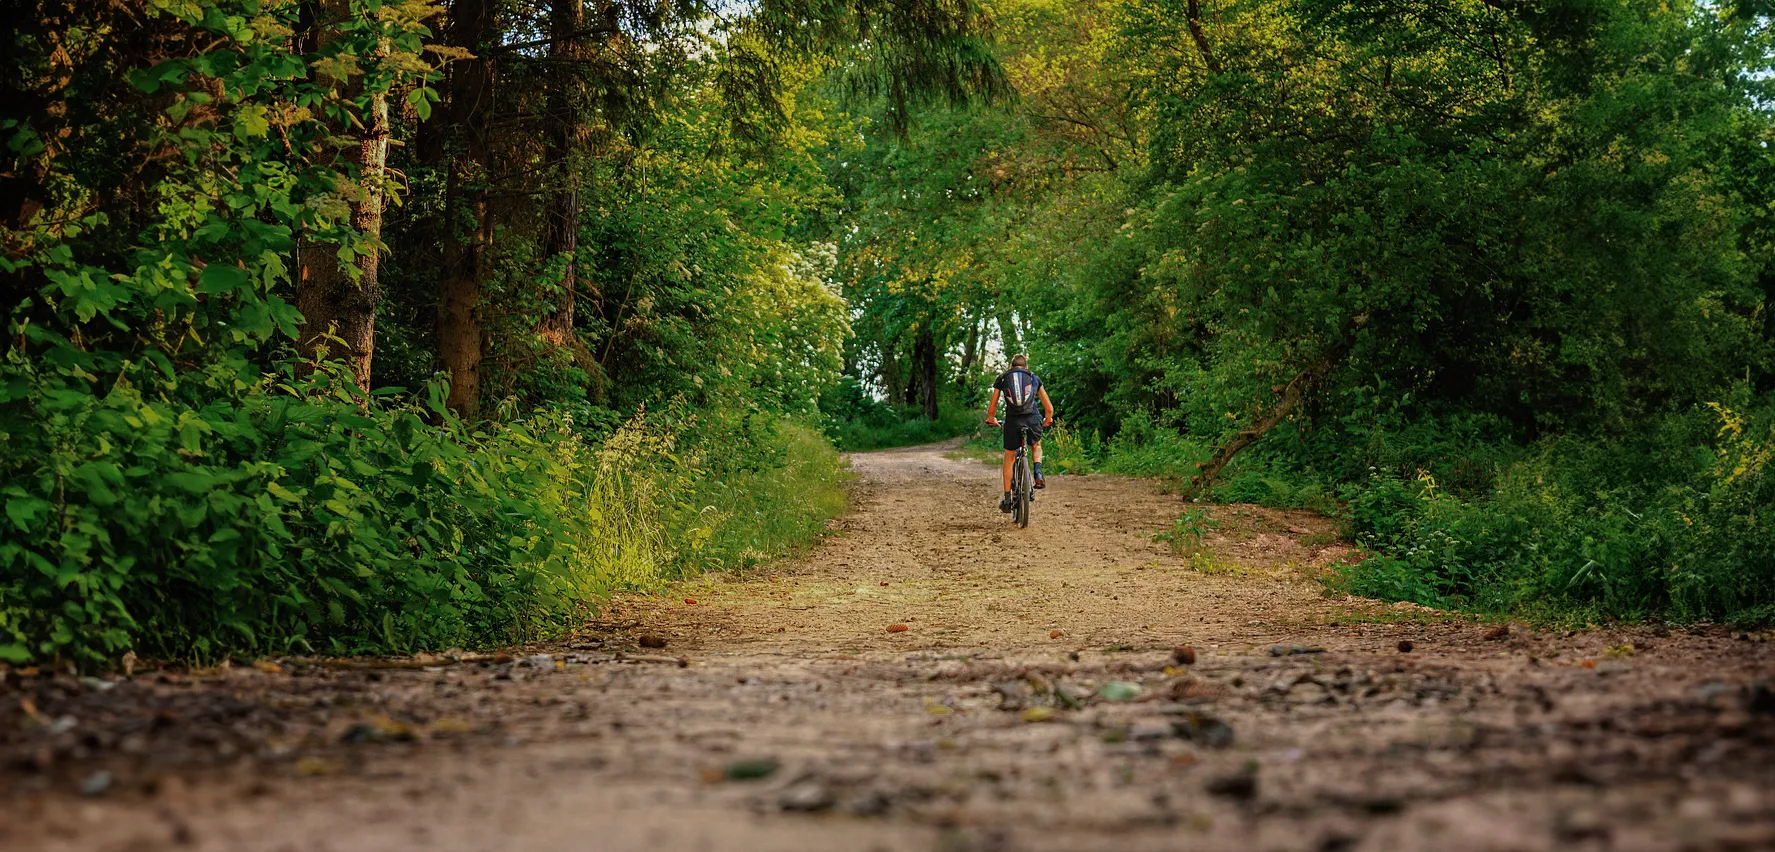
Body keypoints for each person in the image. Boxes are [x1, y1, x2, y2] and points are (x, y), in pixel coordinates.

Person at [984, 354, 1055, 513]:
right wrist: (1047, 419)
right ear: (1026, 367)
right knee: (1036, 445)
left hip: (1012, 422)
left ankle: (1008, 499)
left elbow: (992, 408)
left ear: (1011, 367)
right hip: (1032, 419)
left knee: (1009, 456)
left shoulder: (1002, 379)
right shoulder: (1033, 377)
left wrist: (991, 419)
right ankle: (1037, 473)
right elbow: (1049, 408)